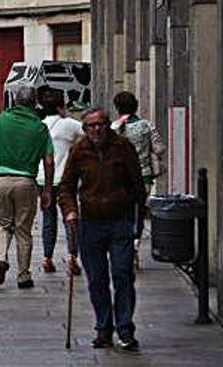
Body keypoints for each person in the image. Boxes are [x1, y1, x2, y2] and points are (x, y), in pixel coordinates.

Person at [60, 108, 147, 351]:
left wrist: (137, 223)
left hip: (120, 221)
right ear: (85, 129)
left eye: (100, 125)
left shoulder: (123, 147)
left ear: (108, 125)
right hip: (90, 223)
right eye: (91, 126)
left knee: (122, 274)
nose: (96, 130)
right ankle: (103, 328)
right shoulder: (79, 150)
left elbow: (137, 185)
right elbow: (66, 186)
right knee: (97, 279)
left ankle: (125, 328)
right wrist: (70, 209)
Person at [0, 85, 54, 289]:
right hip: (27, 182)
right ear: (34, 103)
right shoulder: (40, 127)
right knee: (23, 230)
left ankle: (1, 258)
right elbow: (48, 161)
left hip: (1, 179)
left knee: (1, 224)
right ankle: (23, 276)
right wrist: (47, 189)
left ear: (15, 100)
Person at [110, 91, 166, 267]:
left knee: (121, 213)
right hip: (144, 176)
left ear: (117, 107)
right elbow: (159, 149)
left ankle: (122, 246)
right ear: (136, 105)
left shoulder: (112, 128)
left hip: (119, 177)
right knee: (138, 214)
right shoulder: (146, 126)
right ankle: (134, 246)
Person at [36, 90, 84, 275]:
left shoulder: (40, 125)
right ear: (60, 107)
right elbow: (87, 135)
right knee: (70, 217)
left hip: (43, 179)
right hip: (65, 180)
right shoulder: (70, 124)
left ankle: (47, 258)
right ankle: (72, 256)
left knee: (48, 219)